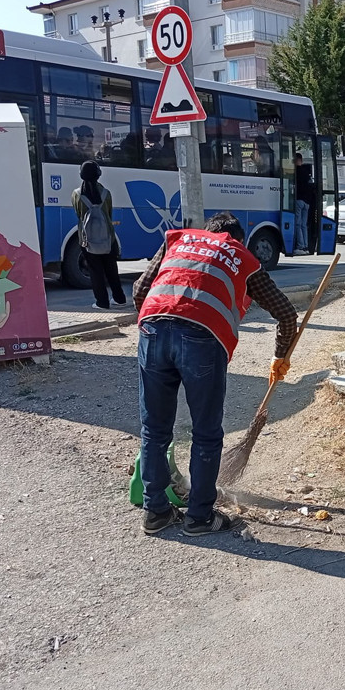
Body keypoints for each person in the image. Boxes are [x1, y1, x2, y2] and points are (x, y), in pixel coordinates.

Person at [133, 212, 299, 536]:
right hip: (201, 339)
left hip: (152, 328)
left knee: (154, 428)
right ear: (237, 237)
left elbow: (140, 290)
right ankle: (199, 517)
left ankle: (155, 513)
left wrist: (160, 324)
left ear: (206, 232)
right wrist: (280, 358)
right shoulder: (241, 255)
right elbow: (286, 315)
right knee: (206, 433)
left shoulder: (178, 240)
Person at [72, 161, 126, 310]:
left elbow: (79, 215)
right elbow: (108, 214)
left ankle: (102, 302)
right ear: (98, 174)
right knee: (111, 269)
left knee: (95, 271)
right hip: (108, 238)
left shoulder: (76, 194)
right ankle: (120, 299)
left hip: (87, 240)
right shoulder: (106, 193)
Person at [292, 153, 314, 256]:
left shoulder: (295, 172)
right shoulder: (307, 172)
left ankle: (300, 246)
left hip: (299, 200)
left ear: (296, 160)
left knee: (298, 224)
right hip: (307, 202)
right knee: (304, 225)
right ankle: (306, 246)